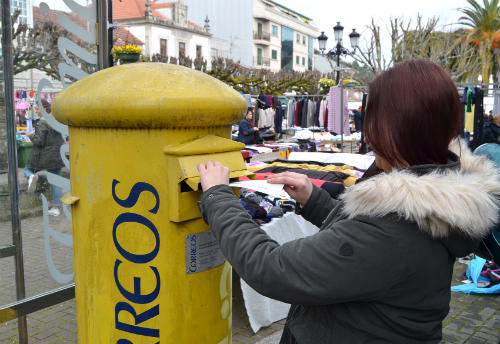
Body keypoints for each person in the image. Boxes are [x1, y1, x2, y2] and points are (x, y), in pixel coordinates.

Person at [197, 60, 500, 343]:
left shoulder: (392, 231)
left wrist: (217, 196)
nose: (368, 134)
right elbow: (363, 243)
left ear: (395, 129)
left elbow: (272, 268)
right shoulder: (434, 198)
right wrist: (314, 199)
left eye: (373, 119)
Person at [24, 99, 65, 216]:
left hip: (46, 156)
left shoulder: (43, 122)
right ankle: (56, 208)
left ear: (44, 109)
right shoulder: (57, 120)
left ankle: (31, 176)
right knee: (56, 180)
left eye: (37, 108)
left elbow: (39, 141)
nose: (36, 111)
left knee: (27, 169)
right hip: (57, 155)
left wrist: (31, 135)